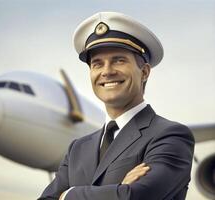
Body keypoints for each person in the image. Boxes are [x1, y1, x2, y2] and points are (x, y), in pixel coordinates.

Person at [38, 11, 195, 200]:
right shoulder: (77, 149)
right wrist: (118, 189)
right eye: (97, 64)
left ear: (144, 72)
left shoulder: (171, 136)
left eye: (119, 60)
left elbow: (136, 196)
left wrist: (67, 195)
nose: (107, 71)